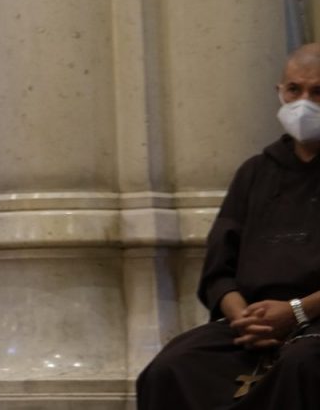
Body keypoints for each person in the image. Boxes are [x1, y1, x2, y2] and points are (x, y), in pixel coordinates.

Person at [136, 44, 320, 409]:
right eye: (294, 89)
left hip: (315, 320)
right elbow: (219, 270)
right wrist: (242, 317)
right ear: (279, 93)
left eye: (318, 92)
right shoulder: (255, 173)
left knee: (302, 366)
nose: (304, 102)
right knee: (170, 368)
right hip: (251, 326)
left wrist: (296, 311)